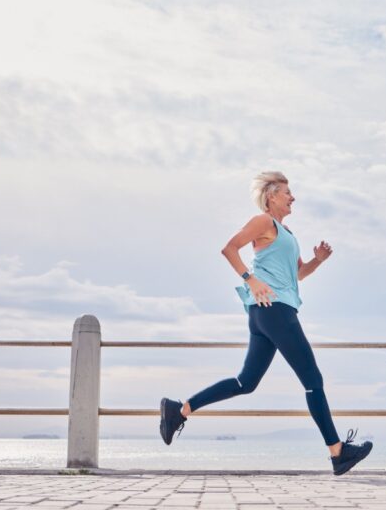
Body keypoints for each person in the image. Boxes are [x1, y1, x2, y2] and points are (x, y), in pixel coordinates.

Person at [159, 171, 373, 475]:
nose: (293, 197)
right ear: (271, 196)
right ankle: (337, 452)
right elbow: (229, 249)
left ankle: (179, 410)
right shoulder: (264, 222)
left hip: (267, 313)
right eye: (287, 192)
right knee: (313, 381)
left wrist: (319, 260)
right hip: (274, 310)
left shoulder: (287, 233)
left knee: (245, 383)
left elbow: (298, 275)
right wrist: (251, 279)